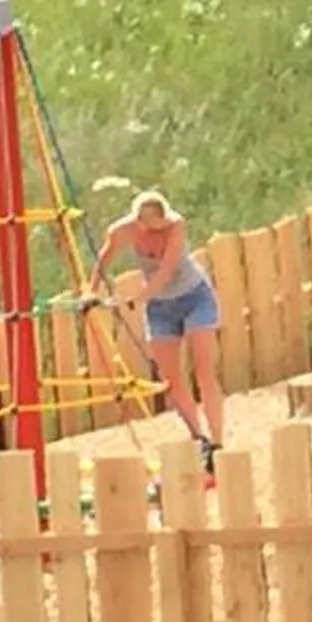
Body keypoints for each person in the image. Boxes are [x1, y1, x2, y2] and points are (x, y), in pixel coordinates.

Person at [93, 189, 225, 464]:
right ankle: (198, 438)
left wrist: (137, 299)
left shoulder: (177, 225)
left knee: (203, 370)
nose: (159, 232)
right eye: (153, 229)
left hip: (193, 297)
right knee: (172, 378)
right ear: (138, 222)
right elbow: (105, 257)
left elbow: (166, 270)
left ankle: (217, 440)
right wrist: (92, 289)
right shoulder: (122, 231)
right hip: (160, 307)